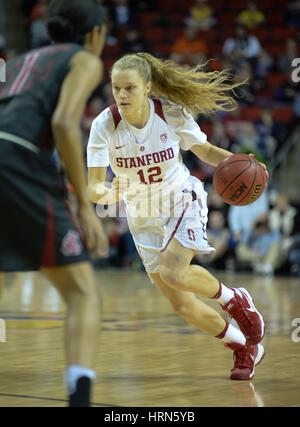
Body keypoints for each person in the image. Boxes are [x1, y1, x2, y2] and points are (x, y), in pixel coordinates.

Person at [87, 53, 268, 380]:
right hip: (142, 215)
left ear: (148, 88)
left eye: (130, 88)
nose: (122, 95)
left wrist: (246, 162)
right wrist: (112, 192)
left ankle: (234, 298)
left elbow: (207, 151)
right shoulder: (104, 125)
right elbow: (94, 189)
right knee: (182, 305)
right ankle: (243, 347)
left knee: (174, 272)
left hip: (181, 199)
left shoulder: (169, 112)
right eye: (116, 88)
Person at [0, 0, 109, 407]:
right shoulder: (85, 59)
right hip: (17, 157)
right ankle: (79, 400)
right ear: (96, 33)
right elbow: (65, 122)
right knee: (83, 292)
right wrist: (84, 204)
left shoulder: (19, 61)